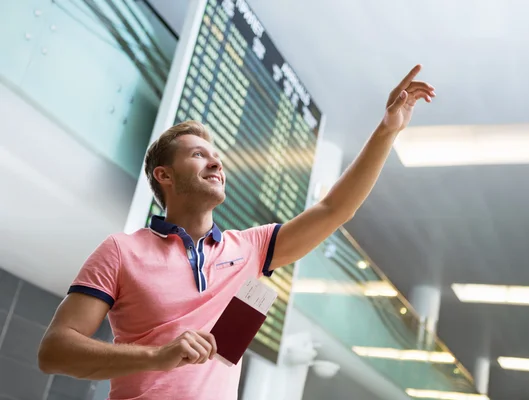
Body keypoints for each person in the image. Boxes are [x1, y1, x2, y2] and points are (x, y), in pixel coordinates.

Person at [37, 65, 434, 400]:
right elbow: (54, 351)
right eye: (199, 155)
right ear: (165, 176)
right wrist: (156, 356)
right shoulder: (121, 251)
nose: (216, 165)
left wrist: (387, 131)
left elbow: (334, 210)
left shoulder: (252, 249)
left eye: (218, 159)